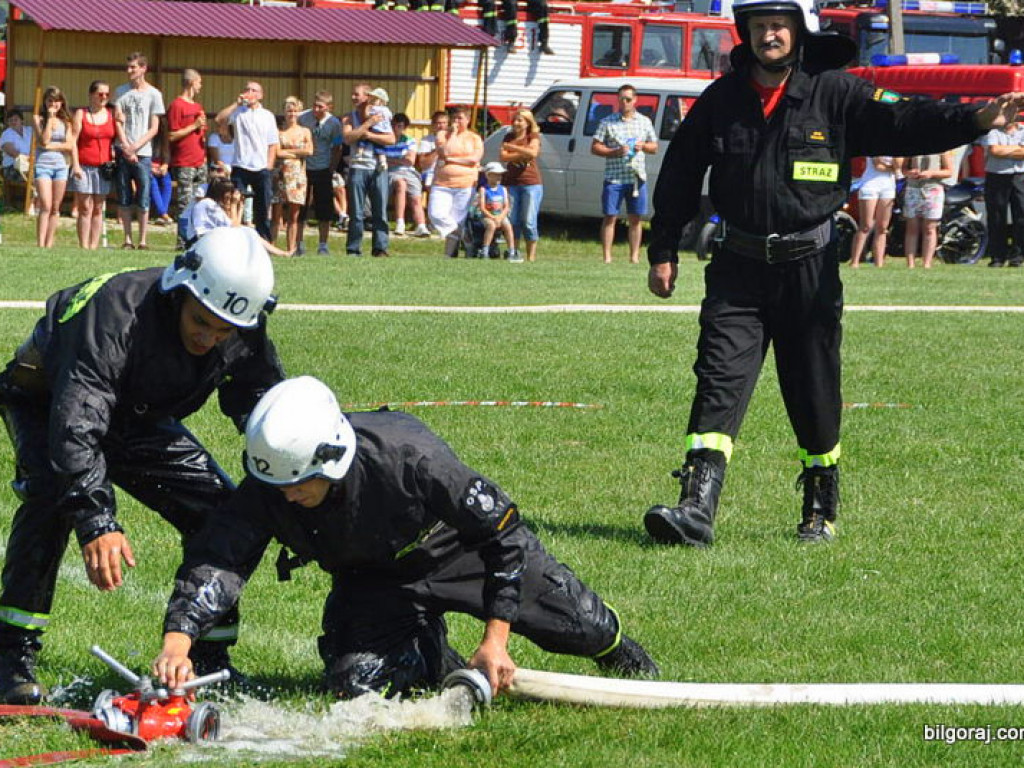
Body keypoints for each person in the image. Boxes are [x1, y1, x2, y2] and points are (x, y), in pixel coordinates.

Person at [642, 0, 1024, 547]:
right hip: (737, 268)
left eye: (778, 26)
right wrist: (664, 249)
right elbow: (679, 175)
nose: (769, 35)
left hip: (809, 269)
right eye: (758, 27)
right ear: (745, 35)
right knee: (718, 380)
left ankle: (820, 508)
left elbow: (906, 119)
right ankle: (695, 508)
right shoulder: (720, 100)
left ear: (799, 34)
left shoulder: (836, 92)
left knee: (813, 388)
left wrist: (976, 118)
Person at [152, 376, 658, 699]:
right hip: (374, 579)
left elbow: (503, 532)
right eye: (275, 486)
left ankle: (618, 651)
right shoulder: (271, 484)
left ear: (332, 458)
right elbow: (218, 557)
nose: (284, 498)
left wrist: (496, 637)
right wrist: (179, 640)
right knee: (357, 682)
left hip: (460, 552)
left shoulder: (410, 458)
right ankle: (435, 656)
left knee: (583, 626)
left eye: (296, 486)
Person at [0, 228, 285, 706]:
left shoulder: (241, 322)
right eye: (201, 321)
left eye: (223, 330)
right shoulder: (115, 313)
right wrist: (97, 522)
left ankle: (211, 662)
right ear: (180, 292)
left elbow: (259, 400)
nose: (209, 337)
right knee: (53, 498)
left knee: (223, 513)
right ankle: (10, 660)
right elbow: (76, 427)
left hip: (139, 415)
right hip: (48, 401)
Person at [591, 84, 658, 264]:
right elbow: (595, 147)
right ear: (618, 100)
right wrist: (614, 152)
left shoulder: (644, 122)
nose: (625, 102)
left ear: (635, 100)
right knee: (610, 216)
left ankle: (634, 256)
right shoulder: (607, 121)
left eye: (628, 99)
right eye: (621, 98)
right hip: (614, 177)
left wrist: (642, 146)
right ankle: (607, 257)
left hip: (637, 178)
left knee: (635, 218)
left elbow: (654, 147)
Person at [112, 52, 166, 251]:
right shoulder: (121, 92)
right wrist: (126, 146)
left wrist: (135, 147)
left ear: (143, 68)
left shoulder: (154, 94)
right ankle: (127, 238)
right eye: (128, 67)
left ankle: (143, 239)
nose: (130, 71)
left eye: (133, 67)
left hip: (143, 152)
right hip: (123, 149)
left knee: (143, 195)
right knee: (124, 194)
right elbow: (118, 121)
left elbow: (154, 127)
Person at [216, 80, 279, 242]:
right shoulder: (238, 112)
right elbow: (219, 120)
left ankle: (264, 241)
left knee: (262, 208)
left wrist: (269, 167)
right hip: (240, 165)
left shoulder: (267, 116)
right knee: (234, 204)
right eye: (247, 89)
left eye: (254, 90)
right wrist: (235, 104)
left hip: (261, 168)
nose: (250, 93)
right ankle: (234, 239)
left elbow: (273, 143)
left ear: (260, 95)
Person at [342, 83, 395, 258]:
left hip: (378, 167)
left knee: (380, 210)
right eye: (352, 94)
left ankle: (380, 248)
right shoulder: (349, 118)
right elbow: (348, 138)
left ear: (368, 97)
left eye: (357, 95)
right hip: (357, 167)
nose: (353, 98)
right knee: (356, 212)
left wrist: (371, 135)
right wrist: (368, 124)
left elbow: (391, 139)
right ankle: (353, 249)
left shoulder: (381, 114)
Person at [428, 106, 483, 257]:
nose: (456, 121)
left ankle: (448, 255)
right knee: (436, 214)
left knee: (456, 219)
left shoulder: (474, 138)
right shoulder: (442, 135)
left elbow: (474, 159)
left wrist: (452, 160)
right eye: (454, 118)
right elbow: (444, 152)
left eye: (460, 118)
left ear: (468, 120)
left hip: (465, 184)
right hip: (442, 184)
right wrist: (452, 135)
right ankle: (464, 235)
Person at [69, 82, 116, 251]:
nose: (103, 97)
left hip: (103, 168)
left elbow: (117, 138)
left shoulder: (112, 115)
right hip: (84, 166)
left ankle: (94, 246)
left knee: (98, 207)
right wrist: (75, 165)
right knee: (84, 207)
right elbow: (73, 140)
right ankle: (84, 246)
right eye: (100, 94)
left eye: (106, 94)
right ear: (91, 95)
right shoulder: (81, 114)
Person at [297, 90, 344, 256]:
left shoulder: (334, 124)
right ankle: (299, 244)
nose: (316, 109)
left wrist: (331, 168)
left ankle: (323, 245)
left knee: (324, 209)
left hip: (323, 169)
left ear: (329, 107)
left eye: (320, 107)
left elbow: (337, 147)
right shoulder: (303, 118)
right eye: (315, 105)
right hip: (304, 168)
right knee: (301, 207)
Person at [166, 69, 208, 251]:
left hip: (201, 161)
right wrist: (194, 126)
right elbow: (171, 135)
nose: (200, 86)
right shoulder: (177, 105)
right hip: (184, 162)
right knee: (185, 204)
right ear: (191, 82)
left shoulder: (198, 107)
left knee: (202, 204)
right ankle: (182, 243)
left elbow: (201, 132)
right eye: (199, 82)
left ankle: (199, 242)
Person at [32, 86, 74, 249]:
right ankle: (40, 243)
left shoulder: (67, 122)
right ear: (45, 102)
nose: (54, 103)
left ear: (61, 102)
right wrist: (50, 118)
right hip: (43, 165)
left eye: (57, 100)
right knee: (45, 205)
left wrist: (52, 147)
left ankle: (50, 243)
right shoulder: (38, 119)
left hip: (61, 166)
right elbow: (43, 140)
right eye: (50, 100)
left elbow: (69, 145)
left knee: (56, 207)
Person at [499, 107, 544, 262]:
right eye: (515, 120)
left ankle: (531, 256)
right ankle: (514, 251)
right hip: (511, 183)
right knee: (512, 220)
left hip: (531, 183)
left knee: (529, 221)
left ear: (527, 122)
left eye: (520, 120)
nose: (516, 123)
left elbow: (533, 153)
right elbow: (503, 157)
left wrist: (512, 148)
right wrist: (523, 151)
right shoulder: (508, 136)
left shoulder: (534, 136)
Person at [274, 96, 313, 255]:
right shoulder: (279, 132)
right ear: (284, 112)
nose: (292, 113)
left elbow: (309, 151)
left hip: (297, 176)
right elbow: (277, 152)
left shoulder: (305, 131)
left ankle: (291, 249)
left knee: (294, 215)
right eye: (289, 110)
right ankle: (273, 247)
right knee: (276, 213)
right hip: (280, 174)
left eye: (295, 110)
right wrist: (297, 153)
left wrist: (288, 152)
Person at [983, 120, 1024, 268]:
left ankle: (1018, 256)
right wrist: (1016, 149)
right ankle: (997, 257)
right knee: (996, 217)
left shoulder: (1022, 130)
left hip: (1020, 176)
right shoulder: (992, 131)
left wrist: (1004, 150)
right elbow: (994, 151)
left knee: (1021, 216)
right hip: (996, 176)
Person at [902, 151, 953, 269]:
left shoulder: (942, 148)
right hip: (913, 188)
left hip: (932, 189)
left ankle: (927, 263)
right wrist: (910, 173)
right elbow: (903, 169)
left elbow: (949, 171)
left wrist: (931, 173)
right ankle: (910, 264)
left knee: (929, 228)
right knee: (911, 227)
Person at [384, 112, 430, 237]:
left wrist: (390, 159)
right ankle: (400, 222)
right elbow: (382, 159)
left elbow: (410, 160)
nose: (395, 128)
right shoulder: (385, 140)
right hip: (390, 172)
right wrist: (399, 159)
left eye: (399, 126)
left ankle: (421, 225)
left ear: (405, 127)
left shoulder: (410, 140)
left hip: (408, 171)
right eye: (393, 125)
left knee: (415, 197)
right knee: (400, 184)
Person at [849, 156, 900, 268]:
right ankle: (855, 261)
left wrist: (895, 167)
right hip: (870, 184)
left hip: (888, 186)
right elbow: (878, 166)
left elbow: (900, 165)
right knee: (865, 225)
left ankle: (879, 263)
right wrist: (895, 169)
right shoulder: (875, 144)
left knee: (882, 227)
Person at [477, 161, 519, 261]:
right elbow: (482, 208)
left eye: (500, 175)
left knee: (508, 225)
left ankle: (511, 250)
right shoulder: (484, 189)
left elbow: (506, 206)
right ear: (488, 175)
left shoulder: (503, 189)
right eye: (496, 175)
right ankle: (485, 250)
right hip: (487, 216)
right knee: (491, 225)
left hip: (500, 215)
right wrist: (493, 218)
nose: (499, 177)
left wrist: (500, 217)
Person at [417, 109, 449, 216]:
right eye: (438, 123)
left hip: (448, 172)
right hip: (430, 172)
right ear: (433, 125)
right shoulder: (426, 140)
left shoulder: (452, 139)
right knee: (433, 186)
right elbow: (423, 164)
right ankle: (431, 218)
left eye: (444, 123)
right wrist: (437, 149)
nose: (441, 126)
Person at [1, 109, 33, 184]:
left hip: (30, 165)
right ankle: (36, 194)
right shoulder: (6, 134)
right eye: (10, 120)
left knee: (44, 173)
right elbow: (12, 152)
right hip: (13, 167)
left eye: (15, 119)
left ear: (21, 120)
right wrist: (29, 159)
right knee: (36, 176)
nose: (13, 122)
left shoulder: (30, 130)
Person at [149, 147, 174, 227]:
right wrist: (151, 168)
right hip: (147, 167)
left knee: (167, 180)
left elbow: (166, 154)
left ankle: (162, 215)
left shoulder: (162, 138)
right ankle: (163, 214)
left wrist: (165, 165)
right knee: (152, 183)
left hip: (160, 167)